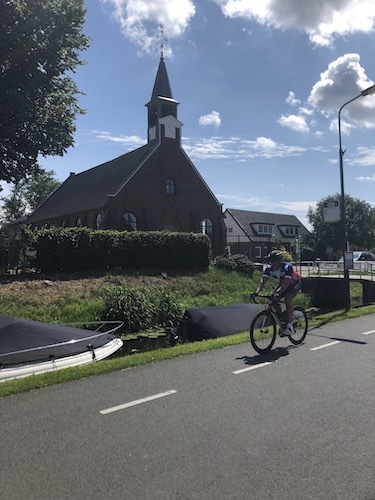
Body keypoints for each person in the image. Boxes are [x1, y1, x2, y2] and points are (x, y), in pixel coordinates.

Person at [253, 249, 302, 335]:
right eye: (271, 261)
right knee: (273, 301)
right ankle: (282, 319)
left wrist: (277, 292)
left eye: (275, 261)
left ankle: (289, 326)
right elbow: (263, 281)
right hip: (283, 283)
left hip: (294, 283)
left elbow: (286, 283)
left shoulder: (287, 267)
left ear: (280, 261)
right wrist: (257, 292)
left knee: (288, 299)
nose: (273, 263)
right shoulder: (269, 268)